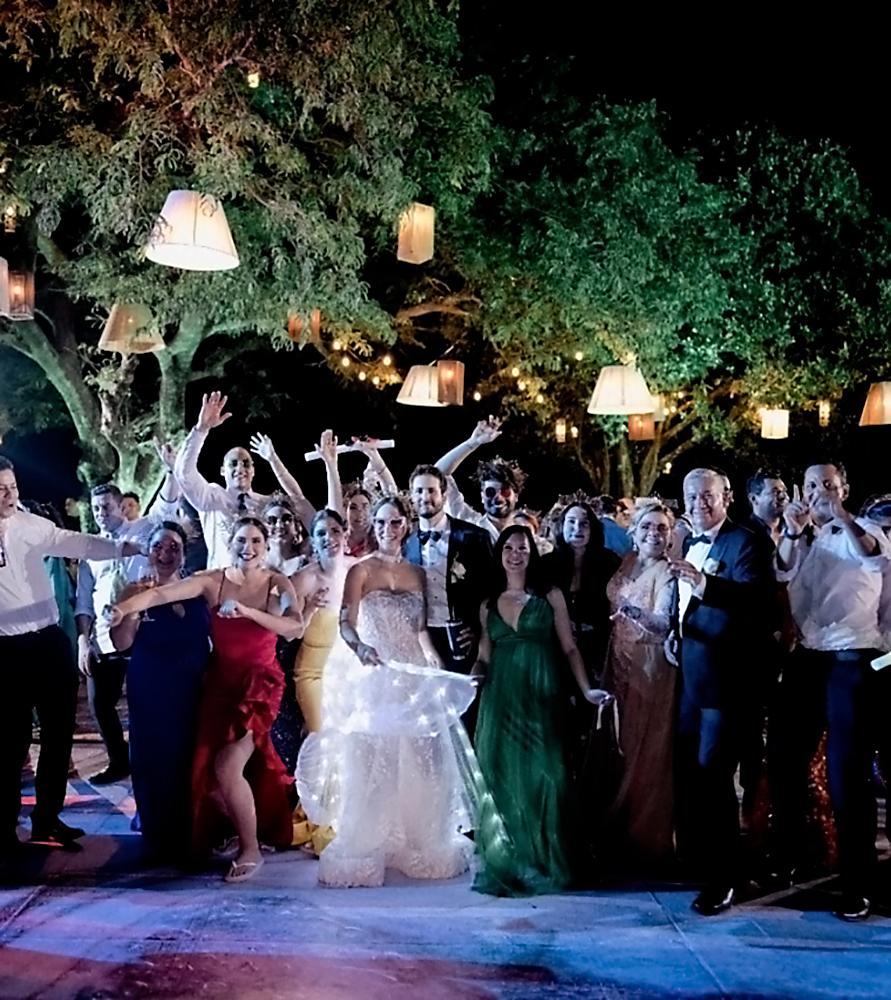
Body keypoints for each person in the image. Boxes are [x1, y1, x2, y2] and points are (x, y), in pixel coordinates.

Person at [110, 516, 307, 882]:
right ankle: (235, 829)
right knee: (204, 771)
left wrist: (248, 612)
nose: (247, 548)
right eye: (241, 540)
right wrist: (125, 608)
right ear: (229, 543)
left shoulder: (277, 582)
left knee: (228, 766)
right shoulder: (211, 581)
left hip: (258, 684)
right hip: (218, 685)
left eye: (255, 541)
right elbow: (161, 594)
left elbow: (294, 628)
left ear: (265, 547)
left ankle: (251, 849)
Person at [297, 496, 478, 887]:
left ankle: (420, 839)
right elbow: (347, 623)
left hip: (412, 675)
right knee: (374, 761)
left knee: (422, 757)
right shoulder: (361, 571)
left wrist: (437, 666)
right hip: (375, 674)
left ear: (405, 526)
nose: (387, 529)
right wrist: (359, 646)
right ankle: (366, 841)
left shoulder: (417, 573)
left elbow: (420, 631)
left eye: (395, 522)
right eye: (380, 522)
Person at [0, 456, 141, 855]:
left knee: (58, 735)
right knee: (11, 742)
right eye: (0, 489)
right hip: (6, 650)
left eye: (12, 485)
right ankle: (5, 830)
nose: (9, 494)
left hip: (47, 642)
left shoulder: (32, 525)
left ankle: (48, 819)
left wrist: (120, 547)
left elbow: (74, 542)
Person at [771, 463, 890, 921]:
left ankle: (858, 883)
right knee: (784, 760)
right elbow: (782, 572)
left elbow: (868, 556)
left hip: (851, 658)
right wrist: (794, 531)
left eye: (829, 485)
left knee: (847, 774)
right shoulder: (804, 537)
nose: (820, 492)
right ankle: (790, 858)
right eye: (813, 486)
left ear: (844, 488)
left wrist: (839, 513)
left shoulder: (869, 531)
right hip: (807, 658)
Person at [471, 525, 613, 896]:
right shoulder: (488, 603)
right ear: (500, 552)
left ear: (532, 553)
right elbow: (484, 654)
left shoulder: (550, 596)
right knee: (500, 776)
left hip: (541, 693)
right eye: (509, 547)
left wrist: (586, 690)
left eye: (523, 547)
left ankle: (549, 859)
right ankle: (510, 859)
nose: (516, 554)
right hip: (500, 697)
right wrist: (472, 678)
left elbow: (569, 647)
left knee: (547, 774)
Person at [668, 468, 773, 916]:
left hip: (729, 685)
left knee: (715, 780)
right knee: (693, 778)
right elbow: (687, 605)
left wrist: (705, 583)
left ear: (726, 497)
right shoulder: (687, 543)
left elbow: (756, 602)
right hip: (692, 681)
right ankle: (704, 862)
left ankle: (724, 880)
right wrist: (678, 632)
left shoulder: (748, 541)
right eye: (692, 496)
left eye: (707, 495)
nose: (699, 503)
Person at [110, 521, 211, 860]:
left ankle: (191, 823)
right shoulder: (131, 590)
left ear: (184, 553)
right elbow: (122, 643)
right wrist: (135, 610)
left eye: (173, 547)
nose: (165, 553)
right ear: (148, 551)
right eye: (158, 547)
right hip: (151, 684)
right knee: (153, 755)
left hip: (193, 685)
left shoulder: (198, 587)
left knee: (188, 755)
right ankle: (156, 826)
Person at [75, 465, 180, 784]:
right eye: (94, 508)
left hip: (140, 630)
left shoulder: (144, 529)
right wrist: (82, 639)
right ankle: (119, 761)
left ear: (120, 506)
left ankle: (149, 760)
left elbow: (167, 503)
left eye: (105, 506)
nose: (99, 513)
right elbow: (83, 597)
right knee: (100, 704)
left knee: (142, 702)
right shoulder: (90, 547)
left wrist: (172, 470)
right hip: (102, 637)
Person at [602, 501, 677, 869]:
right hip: (616, 663)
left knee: (645, 749)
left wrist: (632, 612)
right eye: (647, 526)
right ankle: (618, 828)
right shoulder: (627, 563)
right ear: (633, 531)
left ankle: (645, 839)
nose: (654, 533)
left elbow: (663, 624)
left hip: (650, 666)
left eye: (662, 528)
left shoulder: (668, 572)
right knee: (619, 748)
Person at [174, 391, 327, 569]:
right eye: (234, 464)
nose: (240, 468)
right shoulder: (212, 497)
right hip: (222, 585)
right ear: (223, 471)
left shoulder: (265, 505)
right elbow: (184, 474)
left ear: (253, 471)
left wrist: (273, 459)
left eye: (246, 464)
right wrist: (201, 430)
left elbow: (298, 500)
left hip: (259, 586)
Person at [404, 465, 493, 675]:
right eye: (419, 491)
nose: (425, 497)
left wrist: (477, 630)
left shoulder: (474, 536)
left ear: (443, 495)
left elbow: (491, 589)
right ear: (411, 496)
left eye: (431, 490)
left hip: (464, 636)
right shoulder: (406, 544)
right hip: (423, 639)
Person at [542, 500, 621, 682]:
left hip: (597, 649)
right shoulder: (546, 565)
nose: (578, 528)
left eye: (584, 523)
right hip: (556, 648)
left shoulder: (609, 563)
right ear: (562, 526)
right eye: (571, 522)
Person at [434, 417, 522, 543]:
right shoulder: (469, 524)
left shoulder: (526, 538)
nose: (498, 497)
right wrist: (473, 443)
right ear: (482, 496)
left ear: (516, 495)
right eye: (490, 492)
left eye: (505, 491)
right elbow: (437, 474)